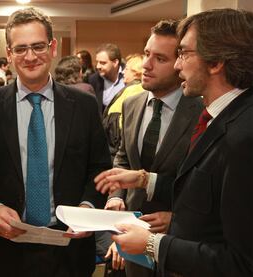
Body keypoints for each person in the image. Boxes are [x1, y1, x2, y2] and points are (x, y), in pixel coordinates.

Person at [95, 8, 253, 277]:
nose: (179, 66)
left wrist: (153, 244)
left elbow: (241, 261)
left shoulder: (244, 136)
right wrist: (145, 180)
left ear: (216, 63)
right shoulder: (220, 117)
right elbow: (203, 192)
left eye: (184, 54)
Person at [0, 7, 111, 277]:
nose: (30, 57)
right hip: (9, 248)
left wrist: (87, 210)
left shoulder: (84, 105)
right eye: (21, 49)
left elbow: (99, 169)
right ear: (9, 53)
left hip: (71, 247)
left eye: (38, 46)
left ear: (52, 48)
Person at [100, 20, 203, 277]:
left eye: (160, 58)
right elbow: (124, 157)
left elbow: (200, 183)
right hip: (132, 236)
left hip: (180, 240)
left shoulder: (201, 111)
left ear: (180, 64)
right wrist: (115, 196)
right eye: (146, 54)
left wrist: (176, 217)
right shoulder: (132, 103)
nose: (146, 65)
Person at [102, 53, 145, 161]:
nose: (122, 71)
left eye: (127, 69)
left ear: (136, 72)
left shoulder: (134, 89)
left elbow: (126, 126)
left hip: (117, 150)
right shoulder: (133, 88)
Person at [89, 43, 125, 114]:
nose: (98, 66)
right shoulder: (94, 79)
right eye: (97, 62)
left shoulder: (128, 76)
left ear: (115, 62)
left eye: (103, 63)